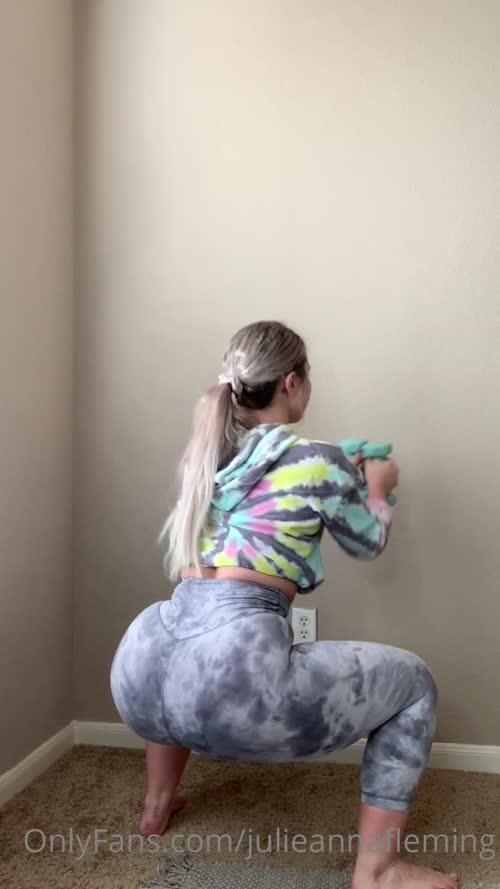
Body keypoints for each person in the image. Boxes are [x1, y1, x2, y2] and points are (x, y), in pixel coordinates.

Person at [111, 320, 458, 889]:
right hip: (233, 682)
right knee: (415, 683)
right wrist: (375, 489)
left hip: (143, 674)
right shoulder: (316, 460)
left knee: (191, 657)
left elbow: (276, 492)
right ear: (292, 382)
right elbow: (366, 542)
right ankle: (379, 869)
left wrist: (339, 471)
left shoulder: (205, 455)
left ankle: (156, 806)